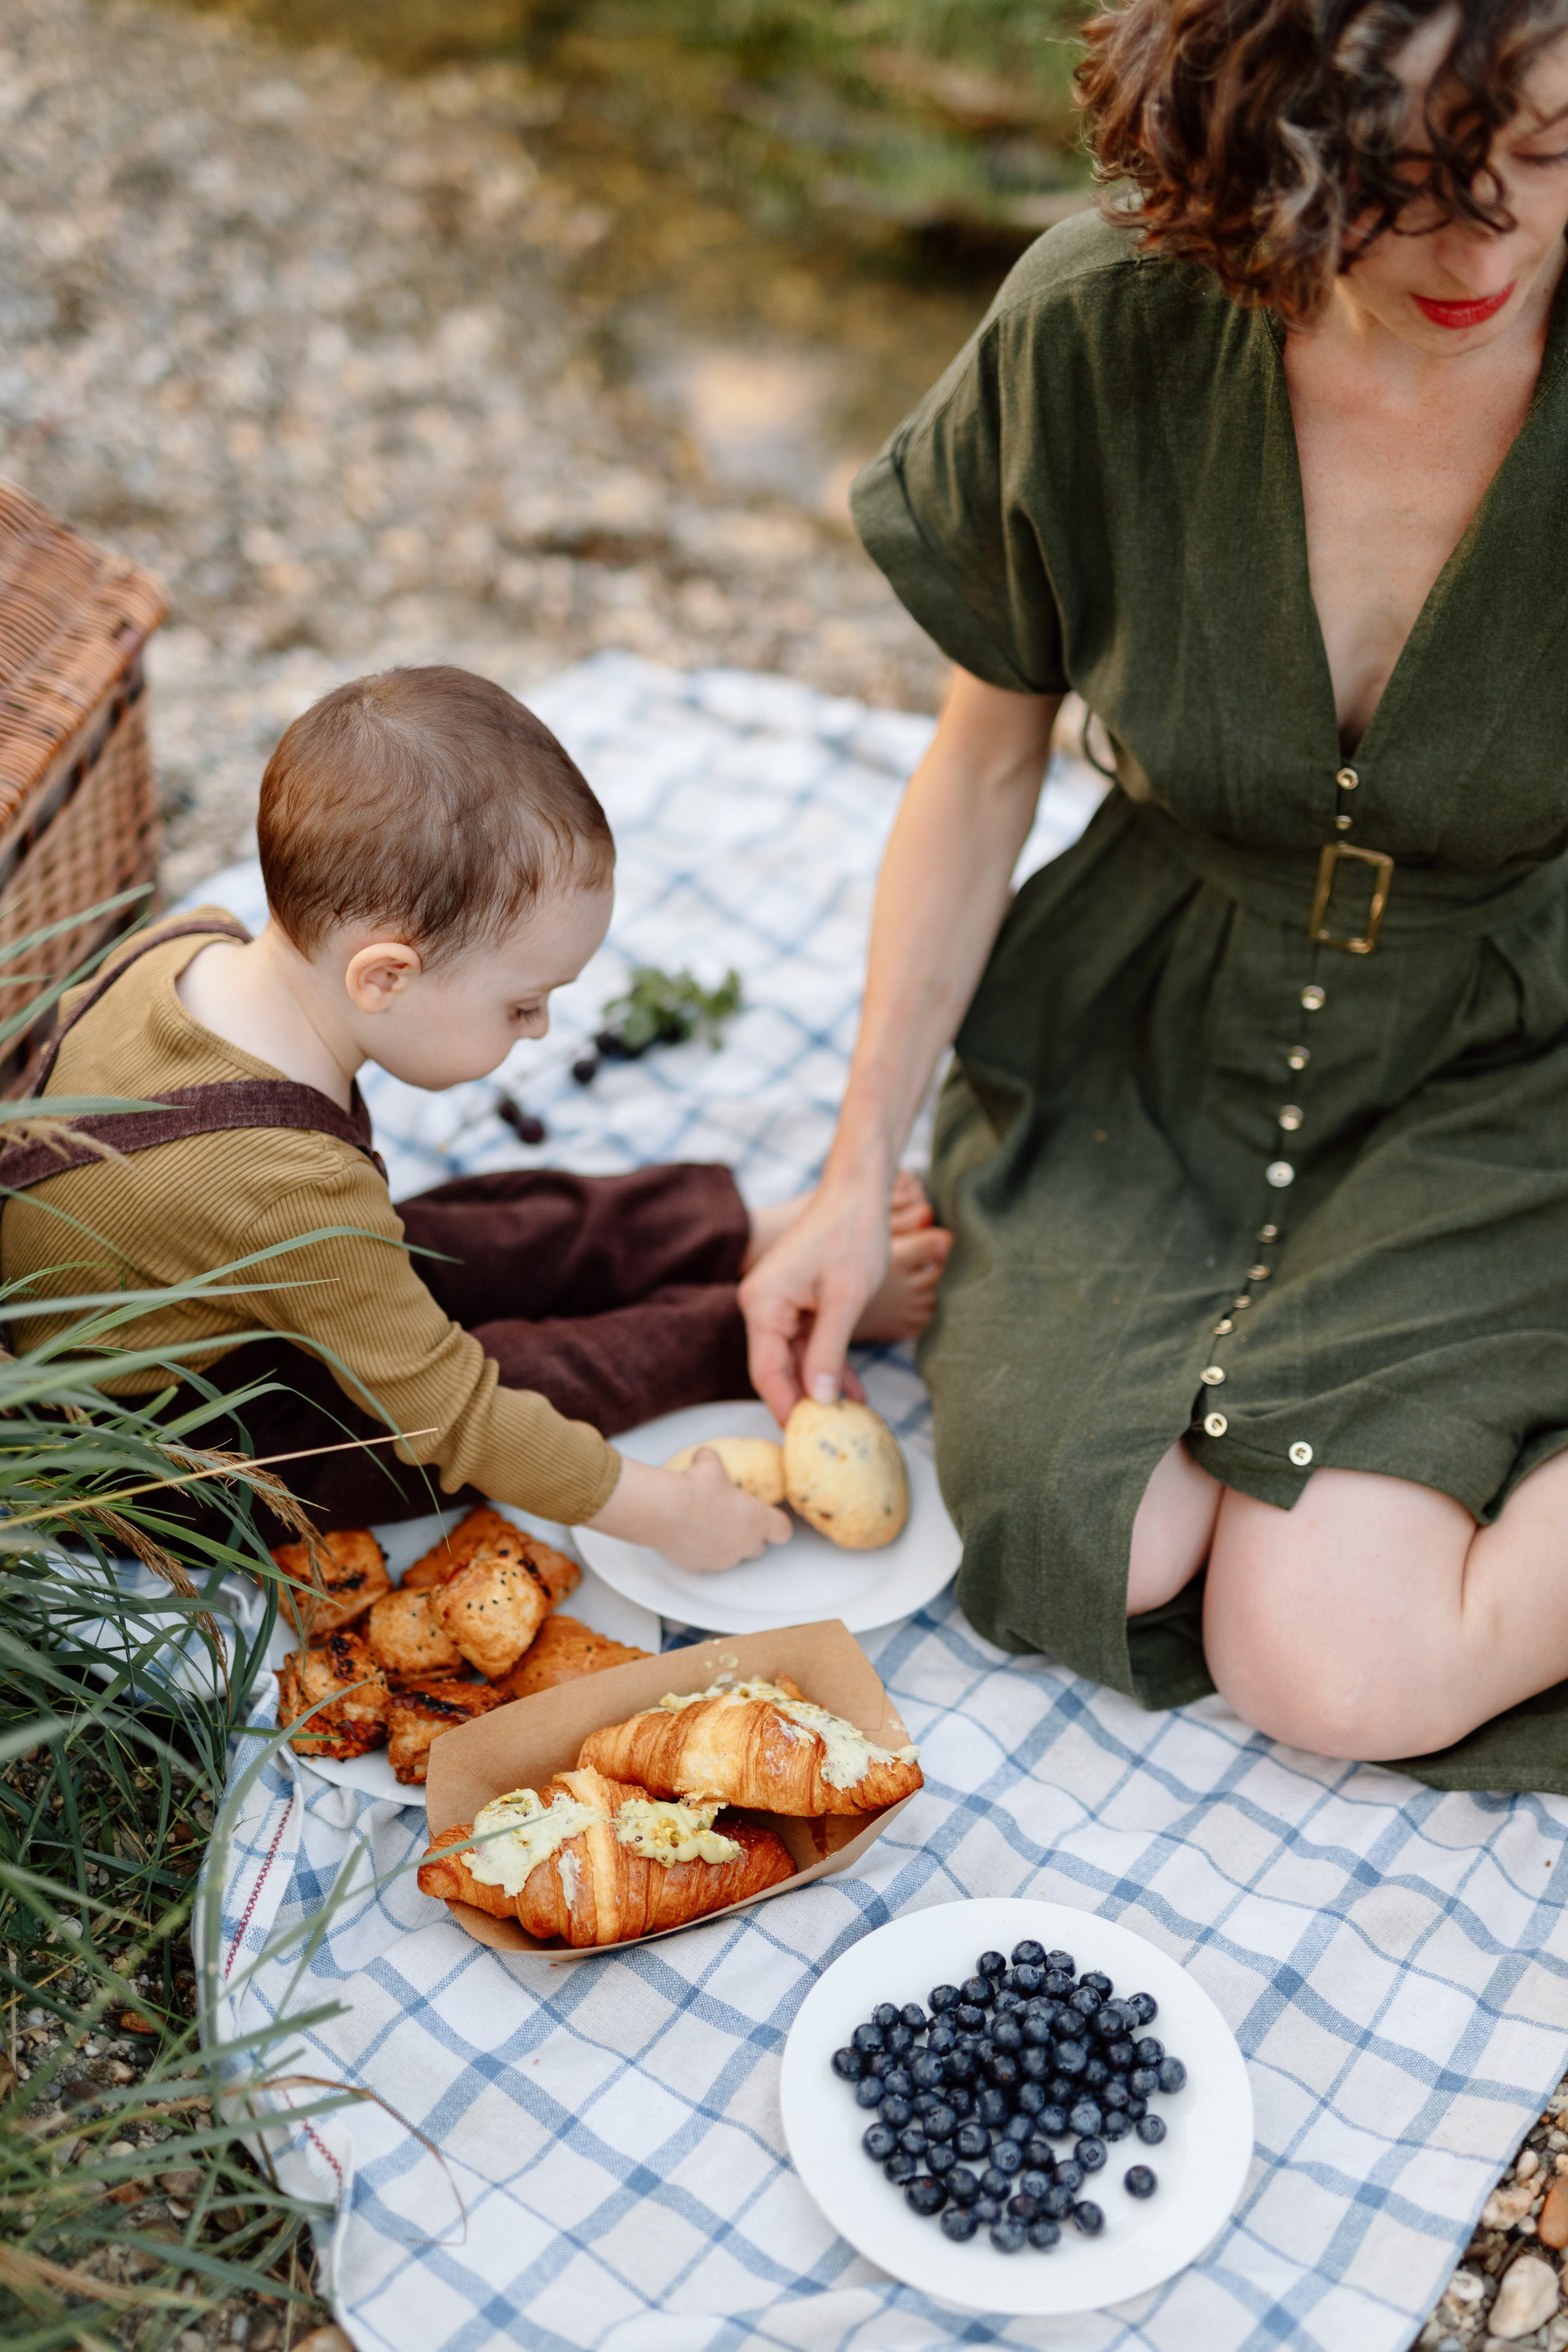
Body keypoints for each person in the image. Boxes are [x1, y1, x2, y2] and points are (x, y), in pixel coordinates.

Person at [739, 0, 1568, 1790]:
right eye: (1400, 182)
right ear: (1259, 141)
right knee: (1086, 1542)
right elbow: (981, 767)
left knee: (1331, 1663)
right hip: (1148, 1017)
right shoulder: (1097, 329)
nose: (1485, 245)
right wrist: (851, 1171)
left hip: (1515, 1055)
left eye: (1551, 153)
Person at [1, 665, 946, 1569]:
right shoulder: (290, 1189)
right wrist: (666, 1514)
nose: (541, 1030)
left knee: (480, 1234)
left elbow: (272, 1210)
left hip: (209, 1295)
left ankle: (734, 1234)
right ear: (384, 977)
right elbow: (452, 1414)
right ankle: (759, 1326)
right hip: (169, 1457)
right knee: (520, 1374)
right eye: (522, 1004)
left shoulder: (186, 943)